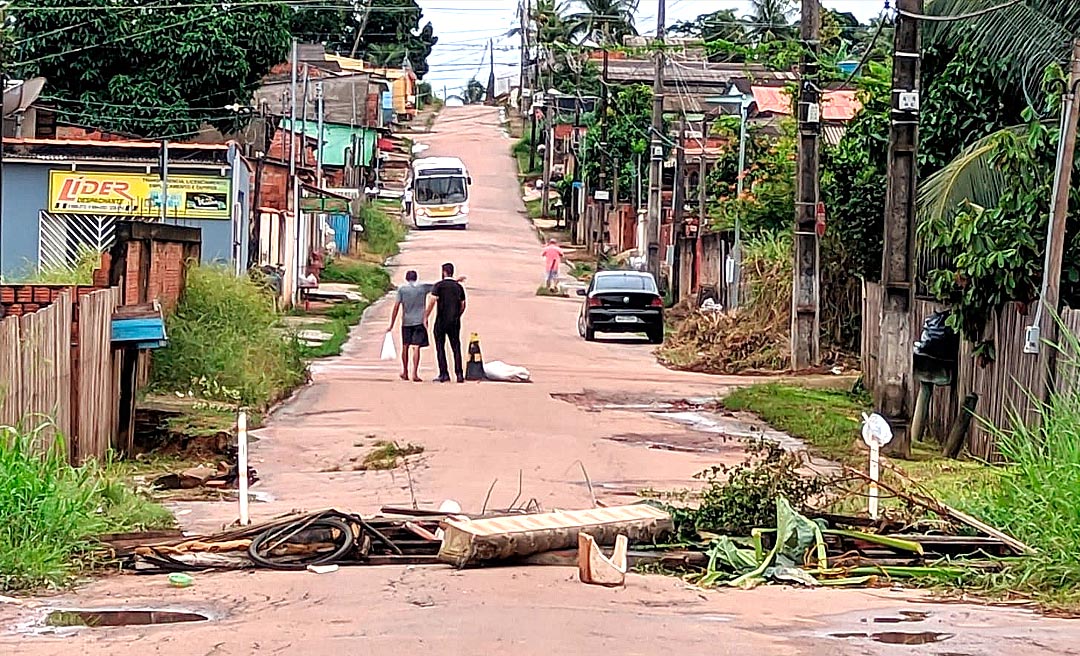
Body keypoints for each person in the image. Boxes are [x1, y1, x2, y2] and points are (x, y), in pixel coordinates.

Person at [387, 270, 432, 382]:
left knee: (405, 346)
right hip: (419, 321)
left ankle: (405, 371)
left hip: (406, 321)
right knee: (416, 347)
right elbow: (439, 285)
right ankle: (415, 373)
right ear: (416, 278)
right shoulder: (423, 288)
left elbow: (396, 306)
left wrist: (391, 324)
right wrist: (455, 280)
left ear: (406, 278)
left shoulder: (402, 289)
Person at [426, 262, 467, 383]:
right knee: (456, 346)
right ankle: (459, 374)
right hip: (454, 321)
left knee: (440, 347)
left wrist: (426, 316)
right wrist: (458, 315)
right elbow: (463, 304)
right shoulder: (458, 287)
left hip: (441, 320)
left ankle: (444, 373)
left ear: (444, 272)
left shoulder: (439, 286)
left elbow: (432, 301)